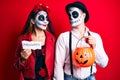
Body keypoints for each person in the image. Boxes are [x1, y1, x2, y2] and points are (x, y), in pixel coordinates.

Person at [53, 1, 109, 80]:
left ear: (83, 16)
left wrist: (95, 47)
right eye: (69, 15)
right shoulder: (63, 37)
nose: (71, 17)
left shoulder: (95, 37)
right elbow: (58, 65)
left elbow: (104, 63)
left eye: (74, 14)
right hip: (70, 78)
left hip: (90, 77)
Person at [14, 3, 55, 80]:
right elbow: (16, 67)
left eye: (47, 18)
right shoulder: (22, 39)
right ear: (32, 21)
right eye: (42, 18)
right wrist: (22, 59)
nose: (46, 21)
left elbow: (57, 62)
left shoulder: (52, 39)